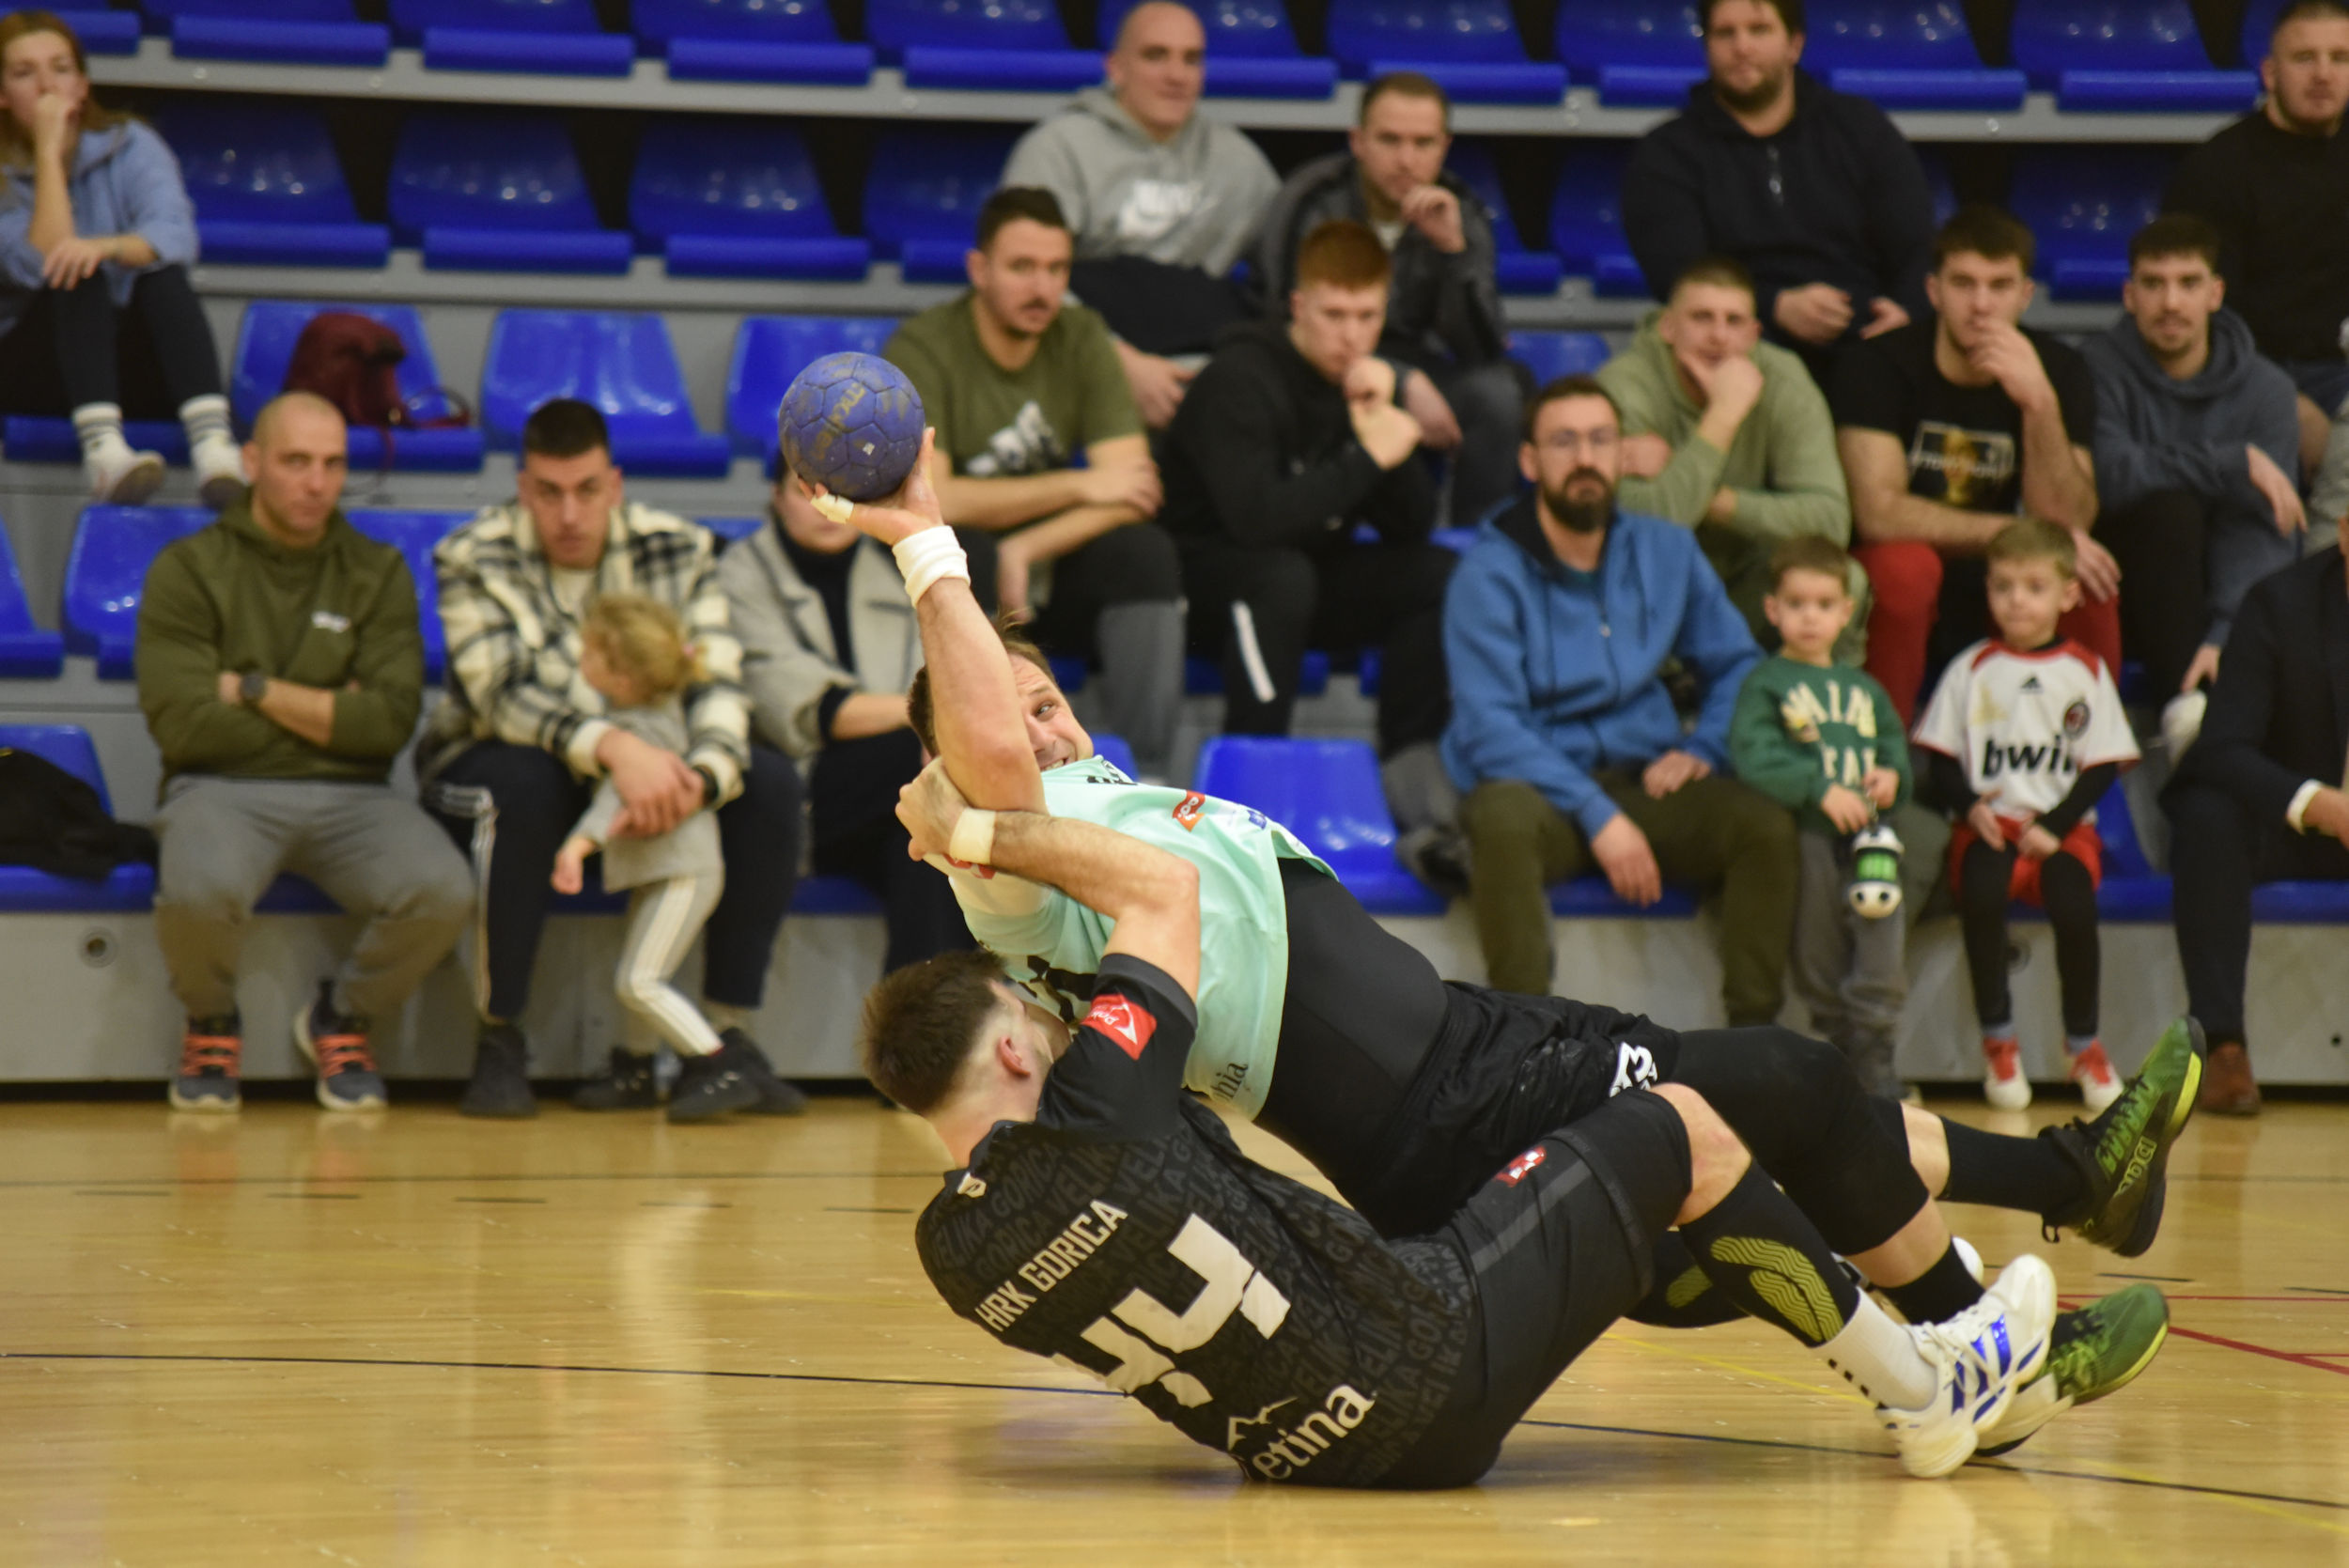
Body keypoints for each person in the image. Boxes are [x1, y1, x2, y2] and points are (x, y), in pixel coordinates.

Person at [826, 437, 2192, 1447]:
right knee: (1781, 1089)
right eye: (1013, 712)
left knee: (1771, 1133)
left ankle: (2018, 1275)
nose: (1047, 723)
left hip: (1471, 1042)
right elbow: (988, 757)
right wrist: (926, 542)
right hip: (1435, 1107)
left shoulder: (1085, 801)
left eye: (1051, 698)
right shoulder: (1007, 864)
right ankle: (1987, 1324)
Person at [874, 754, 2072, 1483]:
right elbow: (1160, 890)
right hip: (1425, 1349)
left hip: (1298, 1454)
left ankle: (1947, 1291)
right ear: (1020, 1043)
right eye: (1036, 1014)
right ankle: (1929, 1385)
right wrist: (968, 836)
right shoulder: (1102, 1107)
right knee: (1687, 1126)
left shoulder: (952, 1249)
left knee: (1686, 1193)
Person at [420, 399, 805, 1120]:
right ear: (522, 486)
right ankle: (500, 1032)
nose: (569, 513)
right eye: (549, 492)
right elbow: (504, 694)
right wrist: (619, 748)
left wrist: (699, 778)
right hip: (500, 756)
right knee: (524, 785)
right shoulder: (472, 553)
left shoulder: (682, 548)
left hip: (655, 765)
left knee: (770, 783)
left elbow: (719, 682)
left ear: (615, 484)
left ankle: (725, 1036)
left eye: (587, 490)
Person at [133, 392, 473, 1113]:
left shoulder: (377, 569)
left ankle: (342, 1016)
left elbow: (386, 725)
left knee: (444, 889)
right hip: (217, 787)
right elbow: (187, 728)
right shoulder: (188, 568)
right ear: (253, 462)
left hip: (357, 794)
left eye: (332, 464)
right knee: (196, 889)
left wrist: (250, 688)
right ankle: (211, 1021)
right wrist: (328, 709)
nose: (316, 482)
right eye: (296, 461)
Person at [1441, 376, 1797, 1022]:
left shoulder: (1668, 549)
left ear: (1622, 454)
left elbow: (1739, 666)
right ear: (1530, 462)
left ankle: (1751, 1043)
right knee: (1499, 818)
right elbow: (1489, 727)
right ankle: (1525, 1045)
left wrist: (1705, 747)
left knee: (1763, 826)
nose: (1586, 458)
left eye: (1601, 440)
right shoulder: (1487, 573)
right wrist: (1597, 813)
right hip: (1542, 791)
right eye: (1564, 442)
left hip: (1647, 779)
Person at [1159, 218, 1456, 833]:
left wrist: (1380, 419)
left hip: (1301, 577)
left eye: (1367, 316)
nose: (1352, 335)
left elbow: (1411, 525)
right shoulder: (1239, 378)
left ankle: (1406, 766)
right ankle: (1253, 791)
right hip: (1202, 580)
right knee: (1280, 576)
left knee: (1438, 574)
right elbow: (1257, 521)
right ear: (1298, 306)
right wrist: (1368, 458)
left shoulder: (1360, 382)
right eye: (1334, 315)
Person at [884, 186, 1182, 780]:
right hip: (972, 568)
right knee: (967, 552)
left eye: (1056, 269)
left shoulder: (1082, 334)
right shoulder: (924, 346)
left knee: (1145, 553)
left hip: (1051, 559)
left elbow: (1133, 489)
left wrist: (1027, 547)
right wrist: (1079, 486)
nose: (1042, 288)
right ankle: (984, 773)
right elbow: (935, 502)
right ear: (979, 269)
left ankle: (1147, 776)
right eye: (1022, 267)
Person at [1832, 206, 2116, 726]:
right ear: (1934, 291)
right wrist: (2017, 531)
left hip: (2002, 574)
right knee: (1905, 569)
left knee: (2082, 579)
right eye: (1964, 284)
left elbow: (2069, 520)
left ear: (2025, 295)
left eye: (1999, 286)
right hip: (1909, 568)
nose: (1981, 305)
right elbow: (1878, 514)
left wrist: (2039, 404)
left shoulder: (2059, 370)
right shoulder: (1876, 364)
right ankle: (1880, 751)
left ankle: (2087, 759)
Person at [720, 455, 997, 980]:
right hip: (792, 798)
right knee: (928, 773)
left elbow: (966, 672)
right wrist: (931, 721)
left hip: (891, 803)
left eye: (842, 495)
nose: (826, 509)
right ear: (776, 498)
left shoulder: (895, 567)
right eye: (807, 493)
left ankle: (932, 1018)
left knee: (929, 859)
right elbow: (822, 713)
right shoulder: (739, 574)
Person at [1912, 520, 2139, 1114]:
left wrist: (2056, 826)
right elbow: (1940, 760)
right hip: (1991, 826)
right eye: (2003, 586)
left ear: (2068, 594)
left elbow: (2103, 765)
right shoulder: (1971, 668)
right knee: (1981, 893)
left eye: (2035, 587)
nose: (2017, 600)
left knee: (2075, 905)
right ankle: (1999, 1040)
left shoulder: (2085, 671)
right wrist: (1971, 808)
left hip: (2062, 830)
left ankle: (2084, 1045)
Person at [2080, 213, 2304, 759]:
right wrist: (2230, 464)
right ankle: (2188, 716)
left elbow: (2264, 528)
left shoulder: (2268, 390)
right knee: (2169, 512)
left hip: (2219, 596)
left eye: (2188, 283)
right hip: (2120, 581)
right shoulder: (2094, 367)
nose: (2171, 303)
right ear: (2129, 295)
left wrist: (2226, 631)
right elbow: (2111, 478)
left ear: (2215, 293)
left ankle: (2204, 721)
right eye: (2153, 284)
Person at [1256, 72, 1521, 528]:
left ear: (1444, 146)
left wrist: (1453, 253)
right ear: (1358, 141)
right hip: (1315, 368)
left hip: (1416, 357)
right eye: (1389, 140)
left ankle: (1476, 544)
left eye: (1423, 143)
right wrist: (1399, 380)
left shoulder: (1460, 211)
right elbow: (1281, 323)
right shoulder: (1311, 200)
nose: (1406, 160)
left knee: (1499, 394)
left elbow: (1481, 349)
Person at [1622, 0, 1936, 381]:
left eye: (1759, 30)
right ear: (1707, 46)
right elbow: (1678, 277)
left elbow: (1920, 248)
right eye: (1725, 33)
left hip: (1866, 345)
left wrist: (1905, 312)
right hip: (1735, 352)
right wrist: (1775, 305)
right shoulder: (1666, 152)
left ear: (1795, 44)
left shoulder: (1861, 129)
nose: (1742, 47)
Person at [0, 9, 241, 505]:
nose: (47, 86)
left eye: (61, 69)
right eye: (24, 73)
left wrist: (106, 246)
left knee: (161, 275)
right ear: (2, 95)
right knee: (77, 272)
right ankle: (104, 453)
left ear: (82, 84)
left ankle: (214, 447)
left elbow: (175, 236)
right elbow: (39, 266)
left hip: (125, 356)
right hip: (34, 365)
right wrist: (48, 154)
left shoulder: (132, 144)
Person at [1002, 0, 1279, 427]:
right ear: (1115, 67)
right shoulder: (1057, 149)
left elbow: (1293, 277)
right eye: (1155, 55)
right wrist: (1118, 364)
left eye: (1191, 59)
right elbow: (1022, 280)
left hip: (1204, 370)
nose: (1176, 75)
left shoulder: (1240, 163)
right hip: (1082, 358)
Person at [545, 595, 764, 1123]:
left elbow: (614, 801)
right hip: (662, 870)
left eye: (590, 653)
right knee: (640, 969)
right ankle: (635, 1066)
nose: (580, 658)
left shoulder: (639, 731)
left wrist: (576, 847)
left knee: (639, 981)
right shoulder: (653, 714)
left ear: (620, 678)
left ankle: (718, 1063)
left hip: (682, 873)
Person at [2162, 509, 2349, 1117]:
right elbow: (2222, 746)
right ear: (2345, 533)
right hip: (2298, 825)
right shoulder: (2279, 603)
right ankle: (2221, 1046)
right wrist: (2323, 805)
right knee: (2207, 814)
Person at [1596, 255, 1859, 658]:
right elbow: (1648, 524)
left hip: (1746, 580)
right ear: (1668, 327)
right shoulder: (1625, 386)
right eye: (1701, 318)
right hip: (1651, 587)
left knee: (1843, 578)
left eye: (1734, 321)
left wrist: (1712, 498)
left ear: (1754, 335)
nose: (1718, 336)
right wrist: (1723, 416)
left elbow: (1830, 523)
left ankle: (1812, 694)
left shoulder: (1783, 379)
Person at [1729, 536, 1911, 1102]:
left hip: (1871, 838)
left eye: (1824, 604)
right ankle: (1837, 1051)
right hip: (1808, 834)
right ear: (1772, 609)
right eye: (1797, 603)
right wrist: (1818, 788)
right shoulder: (1766, 683)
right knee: (1816, 945)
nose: (1810, 616)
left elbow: (1893, 746)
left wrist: (1892, 776)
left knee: (1880, 928)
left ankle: (1875, 1049)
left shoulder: (1865, 689)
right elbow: (1753, 755)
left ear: (1846, 611)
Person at [2164, 0, 2349, 475]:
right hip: (2257, 372)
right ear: (2270, 73)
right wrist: (2282, 400)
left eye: (2340, 58)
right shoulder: (2216, 171)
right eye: (2304, 58)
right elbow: (2206, 320)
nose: (2323, 74)